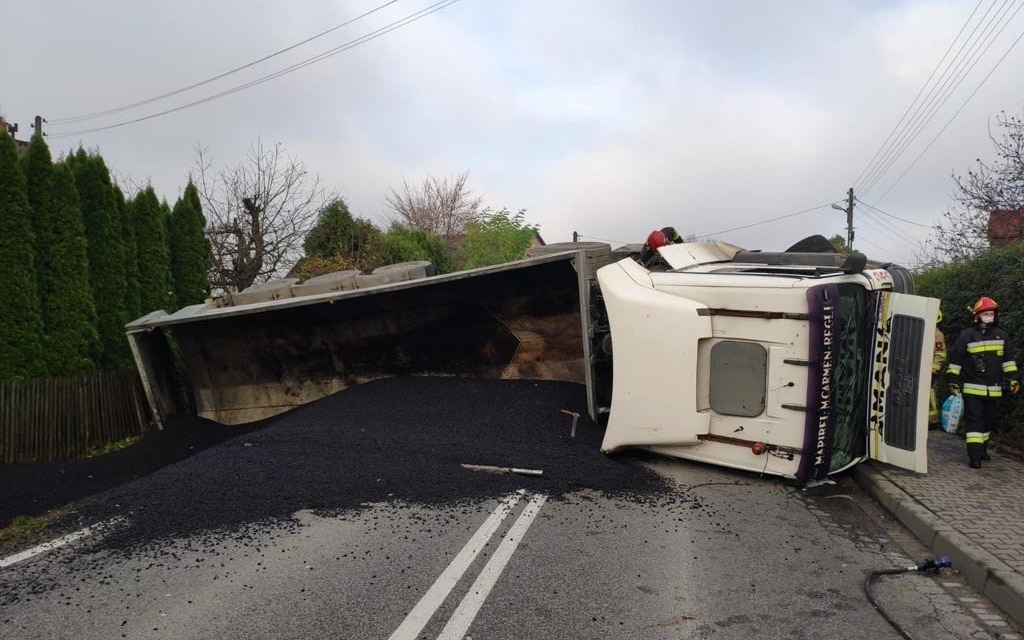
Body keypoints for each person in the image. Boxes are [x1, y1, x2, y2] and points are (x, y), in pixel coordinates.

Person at [946, 296, 1019, 468]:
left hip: (994, 390)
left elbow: (1008, 361)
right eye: (986, 313)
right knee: (975, 421)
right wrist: (953, 382)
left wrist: (1013, 379)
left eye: (991, 313)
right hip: (972, 389)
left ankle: (982, 450)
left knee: (988, 422)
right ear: (977, 316)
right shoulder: (967, 336)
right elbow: (955, 361)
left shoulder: (1001, 336)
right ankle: (974, 457)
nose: (989, 316)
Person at [929, 308, 947, 429]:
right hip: (921, 369)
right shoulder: (924, 331)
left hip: (930, 370)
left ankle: (933, 421)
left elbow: (940, 354)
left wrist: (933, 370)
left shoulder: (937, 335)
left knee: (930, 394)